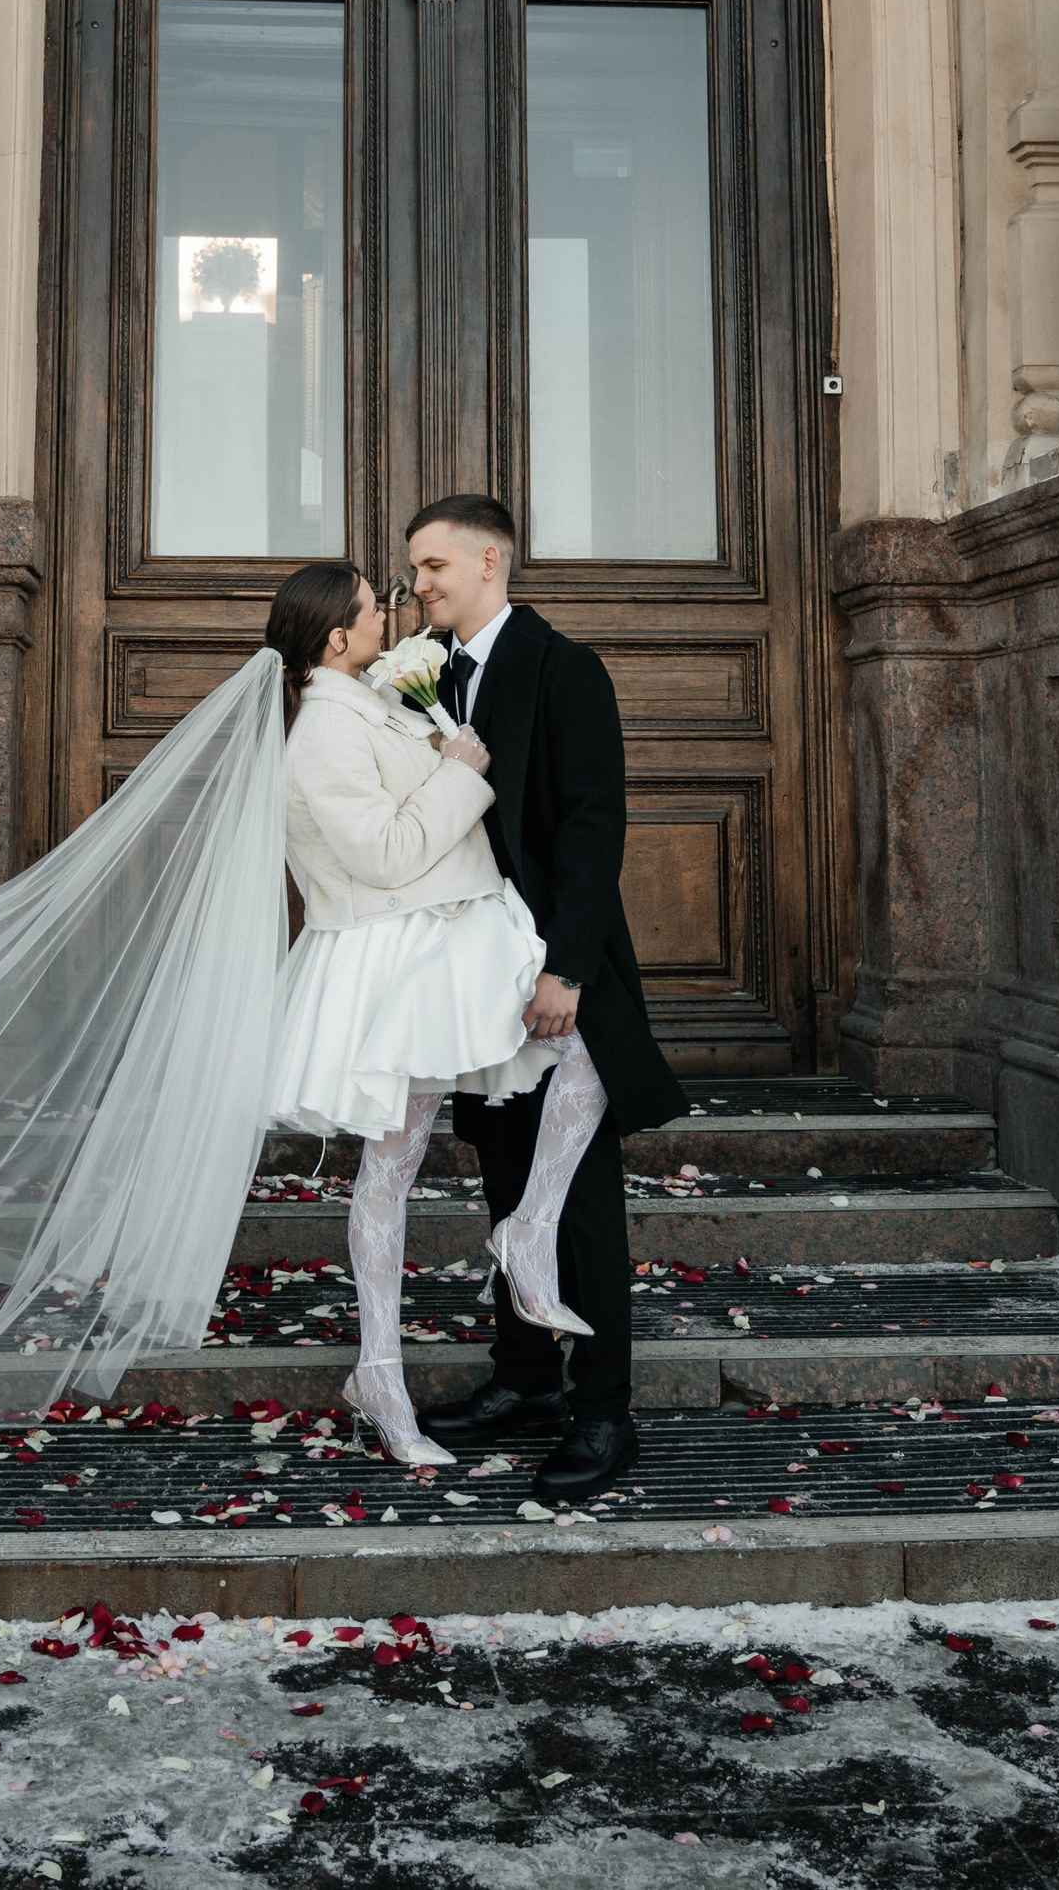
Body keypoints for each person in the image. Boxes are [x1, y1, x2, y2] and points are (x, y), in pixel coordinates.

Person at [264, 559, 612, 1475]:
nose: (391, 612)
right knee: (392, 1164)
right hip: (399, 958)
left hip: (447, 937)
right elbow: (386, 852)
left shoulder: (370, 699)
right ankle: (381, 1373)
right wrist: (461, 768)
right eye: (372, 607)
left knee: (585, 1053)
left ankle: (528, 1227)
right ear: (335, 635)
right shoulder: (322, 730)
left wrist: (444, 745)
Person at [406, 495, 688, 1500]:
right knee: (505, 1184)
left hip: (554, 980)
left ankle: (605, 1413)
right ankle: (525, 1378)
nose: (418, 584)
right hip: (472, 979)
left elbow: (591, 826)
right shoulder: (428, 676)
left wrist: (567, 970)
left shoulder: (566, 668)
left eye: (434, 565)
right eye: (415, 569)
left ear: (490, 560)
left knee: (579, 1203)